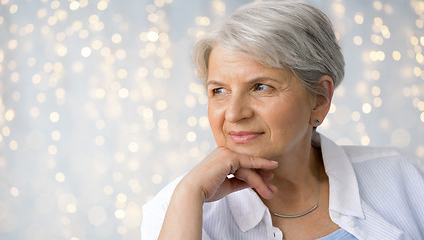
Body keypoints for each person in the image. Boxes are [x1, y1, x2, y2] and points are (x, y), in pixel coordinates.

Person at [141, 1, 424, 239]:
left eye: (261, 87)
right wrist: (190, 192)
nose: (234, 113)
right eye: (219, 91)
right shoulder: (177, 207)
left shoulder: (406, 176)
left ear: (320, 98)